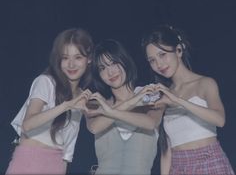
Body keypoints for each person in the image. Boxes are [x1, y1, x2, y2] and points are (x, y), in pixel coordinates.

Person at [141, 25, 235, 175]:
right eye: (152, 60)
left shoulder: (205, 83)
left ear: (178, 50)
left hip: (208, 162)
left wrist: (178, 101)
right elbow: (166, 149)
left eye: (162, 55)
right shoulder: (163, 95)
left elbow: (220, 119)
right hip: (177, 167)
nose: (158, 64)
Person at [6, 28, 94, 175]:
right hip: (28, 162)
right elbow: (27, 124)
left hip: (56, 166)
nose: (71, 64)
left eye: (78, 57)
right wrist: (66, 105)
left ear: (89, 59)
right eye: (65, 58)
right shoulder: (46, 82)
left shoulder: (81, 96)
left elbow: (68, 148)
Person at [85, 39, 165, 175]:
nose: (110, 72)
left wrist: (111, 111)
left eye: (114, 63)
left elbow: (151, 123)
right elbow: (94, 127)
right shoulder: (96, 103)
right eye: (102, 68)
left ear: (125, 60)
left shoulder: (152, 96)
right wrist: (130, 103)